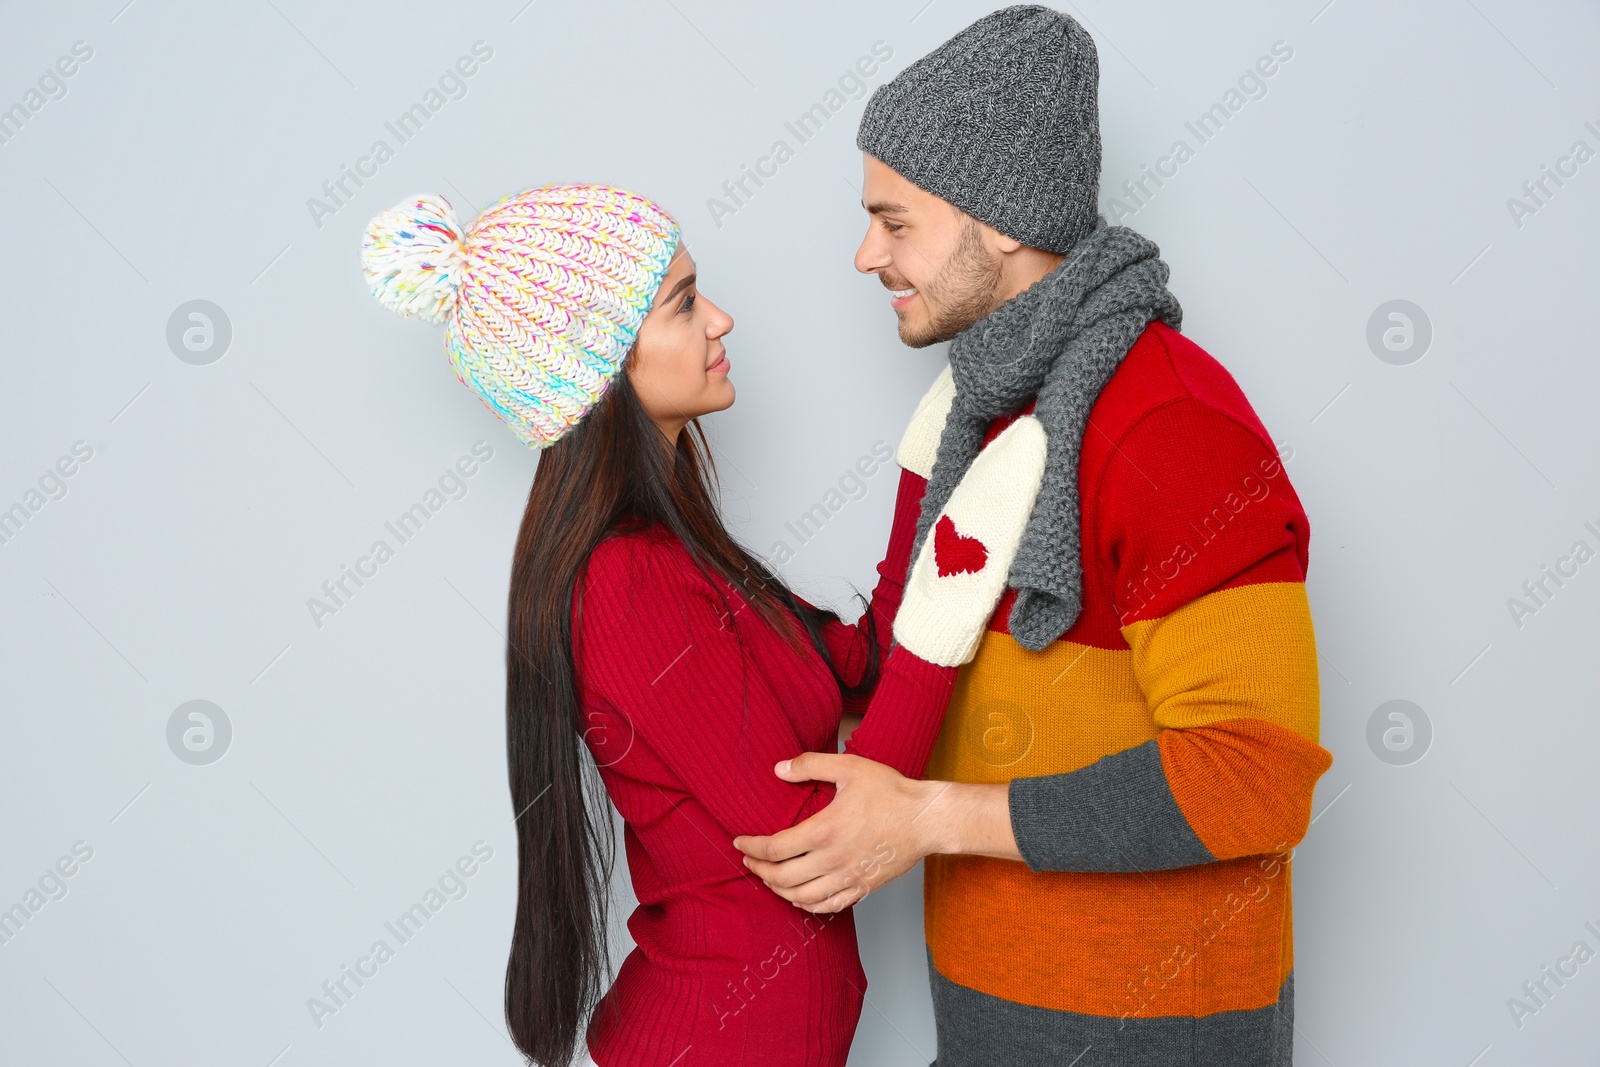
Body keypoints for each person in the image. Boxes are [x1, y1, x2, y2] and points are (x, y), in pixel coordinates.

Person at [733, 7, 1334, 1066]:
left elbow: (1255, 776)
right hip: (998, 1025)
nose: (865, 253)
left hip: (1152, 1035)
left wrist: (924, 820)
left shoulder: (1171, 428)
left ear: (1000, 219)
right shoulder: (980, 417)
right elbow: (916, 659)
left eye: (895, 219)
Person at [358, 184, 1048, 1067]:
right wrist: (951, 597)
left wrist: (928, 473)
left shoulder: (684, 553)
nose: (720, 319)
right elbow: (822, 845)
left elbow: (860, 665)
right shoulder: (626, 584)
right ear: (601, 363)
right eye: (684, 303)